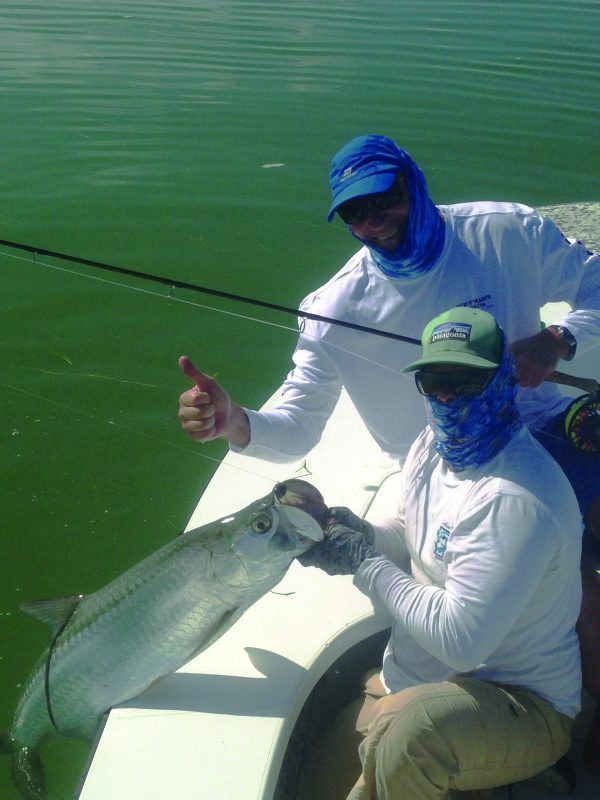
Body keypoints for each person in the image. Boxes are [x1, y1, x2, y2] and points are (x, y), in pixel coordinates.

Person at [178, 133, 600, 770]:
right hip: (434, 469)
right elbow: (297, 424)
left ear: (414, 183)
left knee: (577, 584)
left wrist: (557, 340)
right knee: (555, 594)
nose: (374, 221)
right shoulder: (333, 307)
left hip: (541, 430)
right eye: (355, 212)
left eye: (386, 199)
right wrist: (234, 422)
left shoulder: (504, 231)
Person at [297, 306, 583, 799]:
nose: (447, 395)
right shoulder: (431, 445)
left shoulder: (513, 496)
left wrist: (361, 562)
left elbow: (460, 641)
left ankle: (523, 773)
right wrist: (358, 535)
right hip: (414, 683)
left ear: (505, 379)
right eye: (433, 381)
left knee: (414, 738)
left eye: (466, 380)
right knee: (317, 782)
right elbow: (409, 534)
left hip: (521, 702)